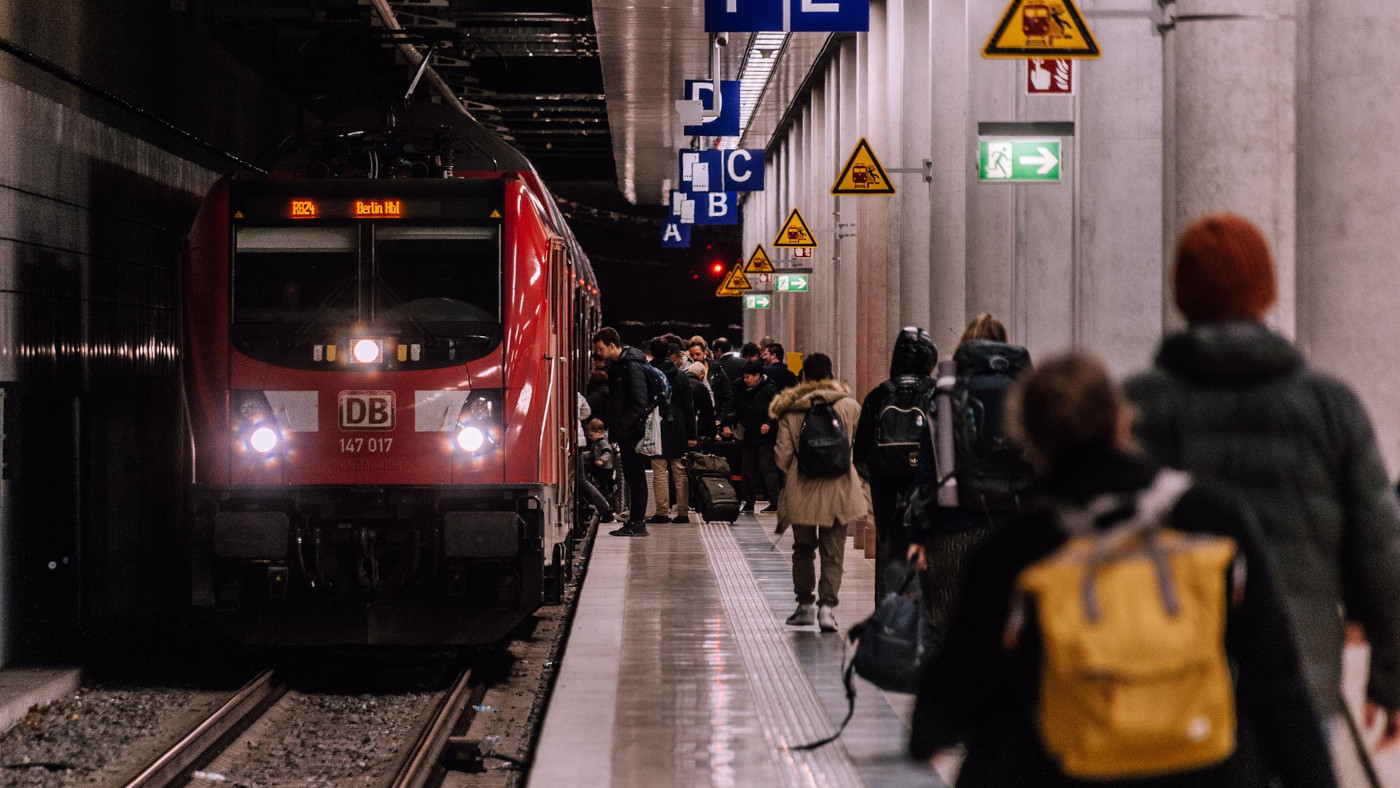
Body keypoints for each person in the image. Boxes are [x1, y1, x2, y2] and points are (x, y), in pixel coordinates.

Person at [910, 351, 1336, 787]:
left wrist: (927, 735)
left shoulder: (1014, 550)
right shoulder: (1212, 517)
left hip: (1060, 771)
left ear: (1030, 438)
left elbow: (950, 697)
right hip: (1203, 769)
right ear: (1123, 420)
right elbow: (1277, 679)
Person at [1124, 213, 1400, 749]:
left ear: (1183, 297)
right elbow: (1380, 552)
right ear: (1266, 294)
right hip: (1296, 679)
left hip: (1165, 676)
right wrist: (1391, 679)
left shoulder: (1138, 405)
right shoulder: (1328, 404)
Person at [771, 353, 871, 633]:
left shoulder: (790, 409)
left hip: (801, 489)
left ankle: (804, 607)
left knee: (803, 549)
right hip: (840, 487)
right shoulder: (850, 406)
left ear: (803, 377)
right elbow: (857, 447)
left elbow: (782, 455)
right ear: (832, 375)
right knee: (833, 552)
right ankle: (827, 610)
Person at [853, 327, 937, 601]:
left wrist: (881, 477)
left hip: (886, 497)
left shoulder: (879, 396)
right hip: (929, 496)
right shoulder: (936, 395)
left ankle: (890, 626)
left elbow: (861, 453)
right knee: (930, 568)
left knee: (890, 563)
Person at [592, 327, 651, 537]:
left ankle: (638, 524)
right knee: (633, 478)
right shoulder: (619, 366)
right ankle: (635, 522)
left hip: (632, 432)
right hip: (627, 431)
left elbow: (639, 402)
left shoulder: (631, 366)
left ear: (611, 345)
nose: (598, 353)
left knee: (636, 478)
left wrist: (622, 426)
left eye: (600, 348)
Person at [646, 338, 696, 524]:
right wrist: (692, 435)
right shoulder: (682, 376)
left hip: (656, 426)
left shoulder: (647, 373)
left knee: (659, 471)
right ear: (669, 353)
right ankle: (683, 512)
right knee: (679, 471)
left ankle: (662, 512)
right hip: (678, 427)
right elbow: (689, 407)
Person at [723, 361, 781, 513]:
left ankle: (775, 501)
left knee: (767, 468)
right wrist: (725, 421)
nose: (745, 380)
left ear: (757, 375)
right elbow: (740, 410)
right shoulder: (745, 389)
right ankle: (749, 501)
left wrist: (768, 423)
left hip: (765, 436)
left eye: (748, 377)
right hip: (749, 434)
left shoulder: (770, 389)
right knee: (747, 469)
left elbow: (776, 409)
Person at [581, 417, 615, 499]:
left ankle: (608, 498)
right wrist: (583, 455)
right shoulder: (596, 442)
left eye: (591, 435)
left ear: (599, 432)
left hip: (605, 468)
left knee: (603, 484)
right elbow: (593, 454)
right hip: (600, 466)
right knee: (602, 483)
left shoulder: (603, 442)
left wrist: (602, 460)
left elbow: (607, 452)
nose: (590, 437)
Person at [686, 360, 716, 441]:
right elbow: (707, 413)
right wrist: (713, 434)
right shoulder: (700, 387)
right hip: (691, 423)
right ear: (701, 375)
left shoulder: (680, 381)